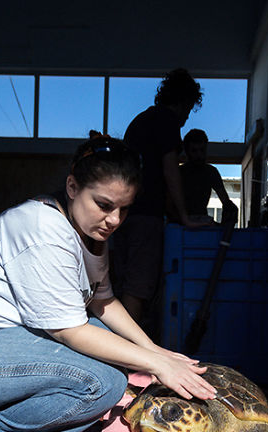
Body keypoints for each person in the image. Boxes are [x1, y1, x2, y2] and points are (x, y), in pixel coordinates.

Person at [0, 134, 216, 432]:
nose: (114, 220)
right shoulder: (42, 228)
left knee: (118, 351)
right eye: (103, 205)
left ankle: (25, 418)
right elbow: (68, 331)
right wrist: (156, 365)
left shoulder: (90, 231)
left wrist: (154, 350)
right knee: (104, 383)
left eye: (124, 208)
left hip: (4, 339)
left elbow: (103, 302)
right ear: (72, 186)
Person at [113, 68, 208, 329]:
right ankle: (125, 360)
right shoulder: (167, 121)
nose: (187, 119)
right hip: (145, 216)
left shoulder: (139, 122)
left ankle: (118, 353)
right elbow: (170, 170)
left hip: (124, 214)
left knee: (123, 284)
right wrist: (185, 217)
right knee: (138, 286)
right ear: (183, 103)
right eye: (188, 111)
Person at [180, 129, 239, 226]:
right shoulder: (180, 173)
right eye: (194, 151)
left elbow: (225, 199)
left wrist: (230, 209)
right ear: (187, 152)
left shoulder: (211, 172)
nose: (199, 155)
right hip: (179, 223)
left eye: (202, 150)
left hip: (202, 221)